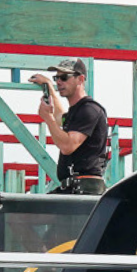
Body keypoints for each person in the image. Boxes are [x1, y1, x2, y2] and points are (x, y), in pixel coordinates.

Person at [28, 59, 108, 193]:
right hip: (75, 188)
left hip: (84, 189)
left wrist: (48, 118)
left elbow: (68, 146)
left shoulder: (89, 110)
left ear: (80, 79)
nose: (59, 82)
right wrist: (49, 87)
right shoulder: (77, 111)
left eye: (64, 78)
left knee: (29, 210)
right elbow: (60, 117)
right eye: (56, 78)